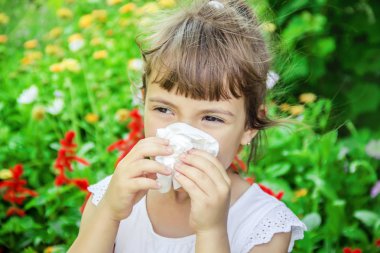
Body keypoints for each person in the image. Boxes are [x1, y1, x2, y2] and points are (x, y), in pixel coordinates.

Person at [68, 0, 307, 252]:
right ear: (143, 100)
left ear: (249, 126)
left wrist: (211, 230)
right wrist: (109, 213)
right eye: (164, 109)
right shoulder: (115, 196)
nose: (181, 133)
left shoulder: (263, 226)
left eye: (212, 118)